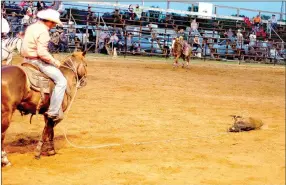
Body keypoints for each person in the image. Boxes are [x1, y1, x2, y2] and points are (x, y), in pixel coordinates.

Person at [21, 9, 66, 121]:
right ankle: (53, 111)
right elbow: (42, 53)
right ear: (50, 21)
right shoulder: (44, 31)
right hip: (36, 61)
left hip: (25, 59)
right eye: (54, 23)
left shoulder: (32, 27)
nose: (55, 25)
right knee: (61, 81)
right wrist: (54, 61)